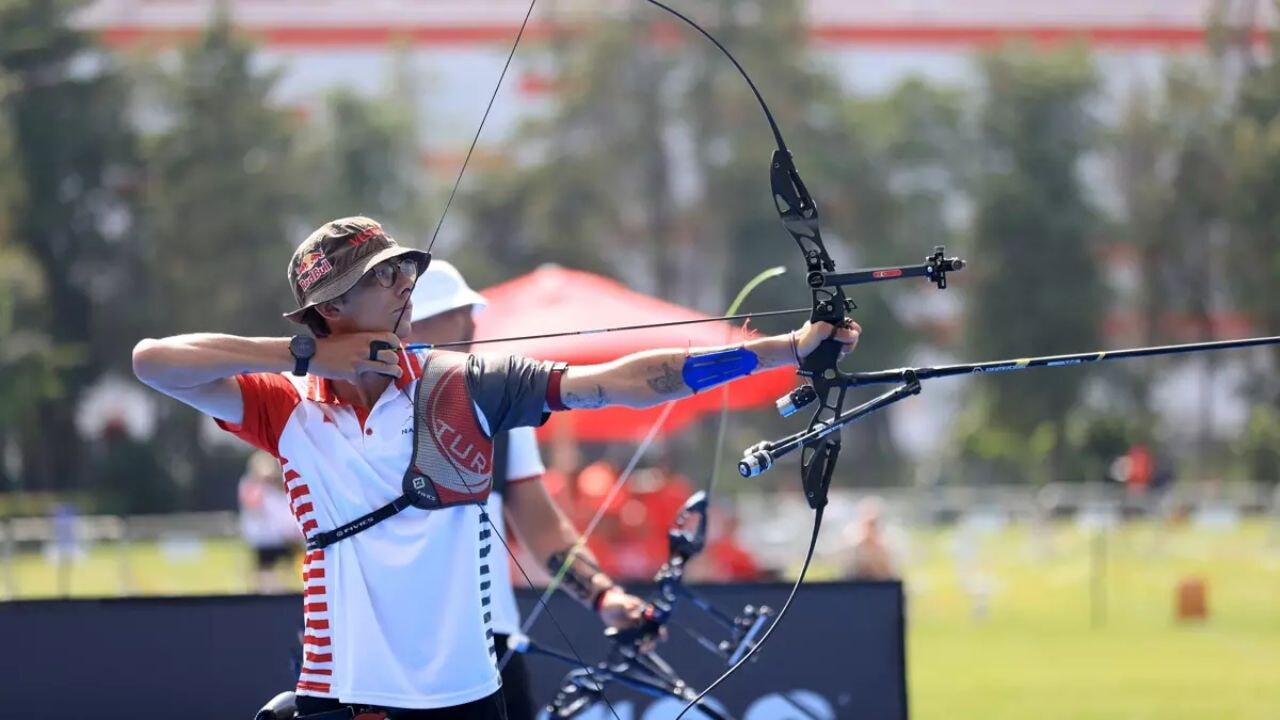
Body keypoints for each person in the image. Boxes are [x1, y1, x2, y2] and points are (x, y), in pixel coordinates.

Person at [131, 216, 860, 719]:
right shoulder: (288, 406)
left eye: (403, 270)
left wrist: (787, 350)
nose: (405, 285)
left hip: (468, 695)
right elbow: (153, 362)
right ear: (331, 307)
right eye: (383, 277)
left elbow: (623, 381)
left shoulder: (466, 384)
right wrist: (306, 356)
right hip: (342, 692)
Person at [406, 260, 644, 720]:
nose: (473, 325)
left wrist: (602, 595)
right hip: (385, 650)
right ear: (410, 324)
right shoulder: (352, 410)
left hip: (486, 643)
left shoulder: (496, 406)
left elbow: (541, 526)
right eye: (457, 312)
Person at [238, 450, 303, 593]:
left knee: (291, 568)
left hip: (283, 537)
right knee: (264, 570)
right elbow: (254, 504)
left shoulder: (280, 487)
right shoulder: (252, 486)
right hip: (264, 538)